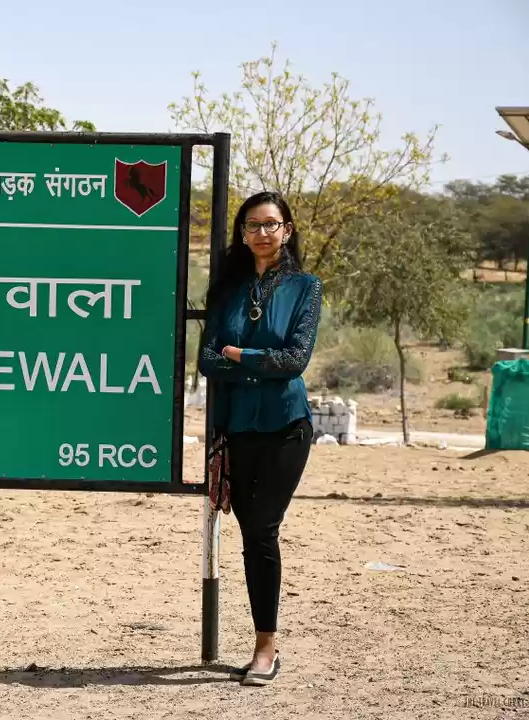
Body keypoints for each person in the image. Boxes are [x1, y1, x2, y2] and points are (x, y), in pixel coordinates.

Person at [198, 190, 322, 687]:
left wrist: (238, 357)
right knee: (250, 538)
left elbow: (295, 361)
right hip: (236, 427)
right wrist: (248, 361)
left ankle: (265, 649)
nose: (263, 233)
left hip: (285, 427)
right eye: (253, 225)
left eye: (272, 224)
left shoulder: (306, 287)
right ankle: (262, 642)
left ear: (287, 230)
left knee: (263, 531)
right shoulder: (227, 290)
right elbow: (206, 360)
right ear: (242, 233)